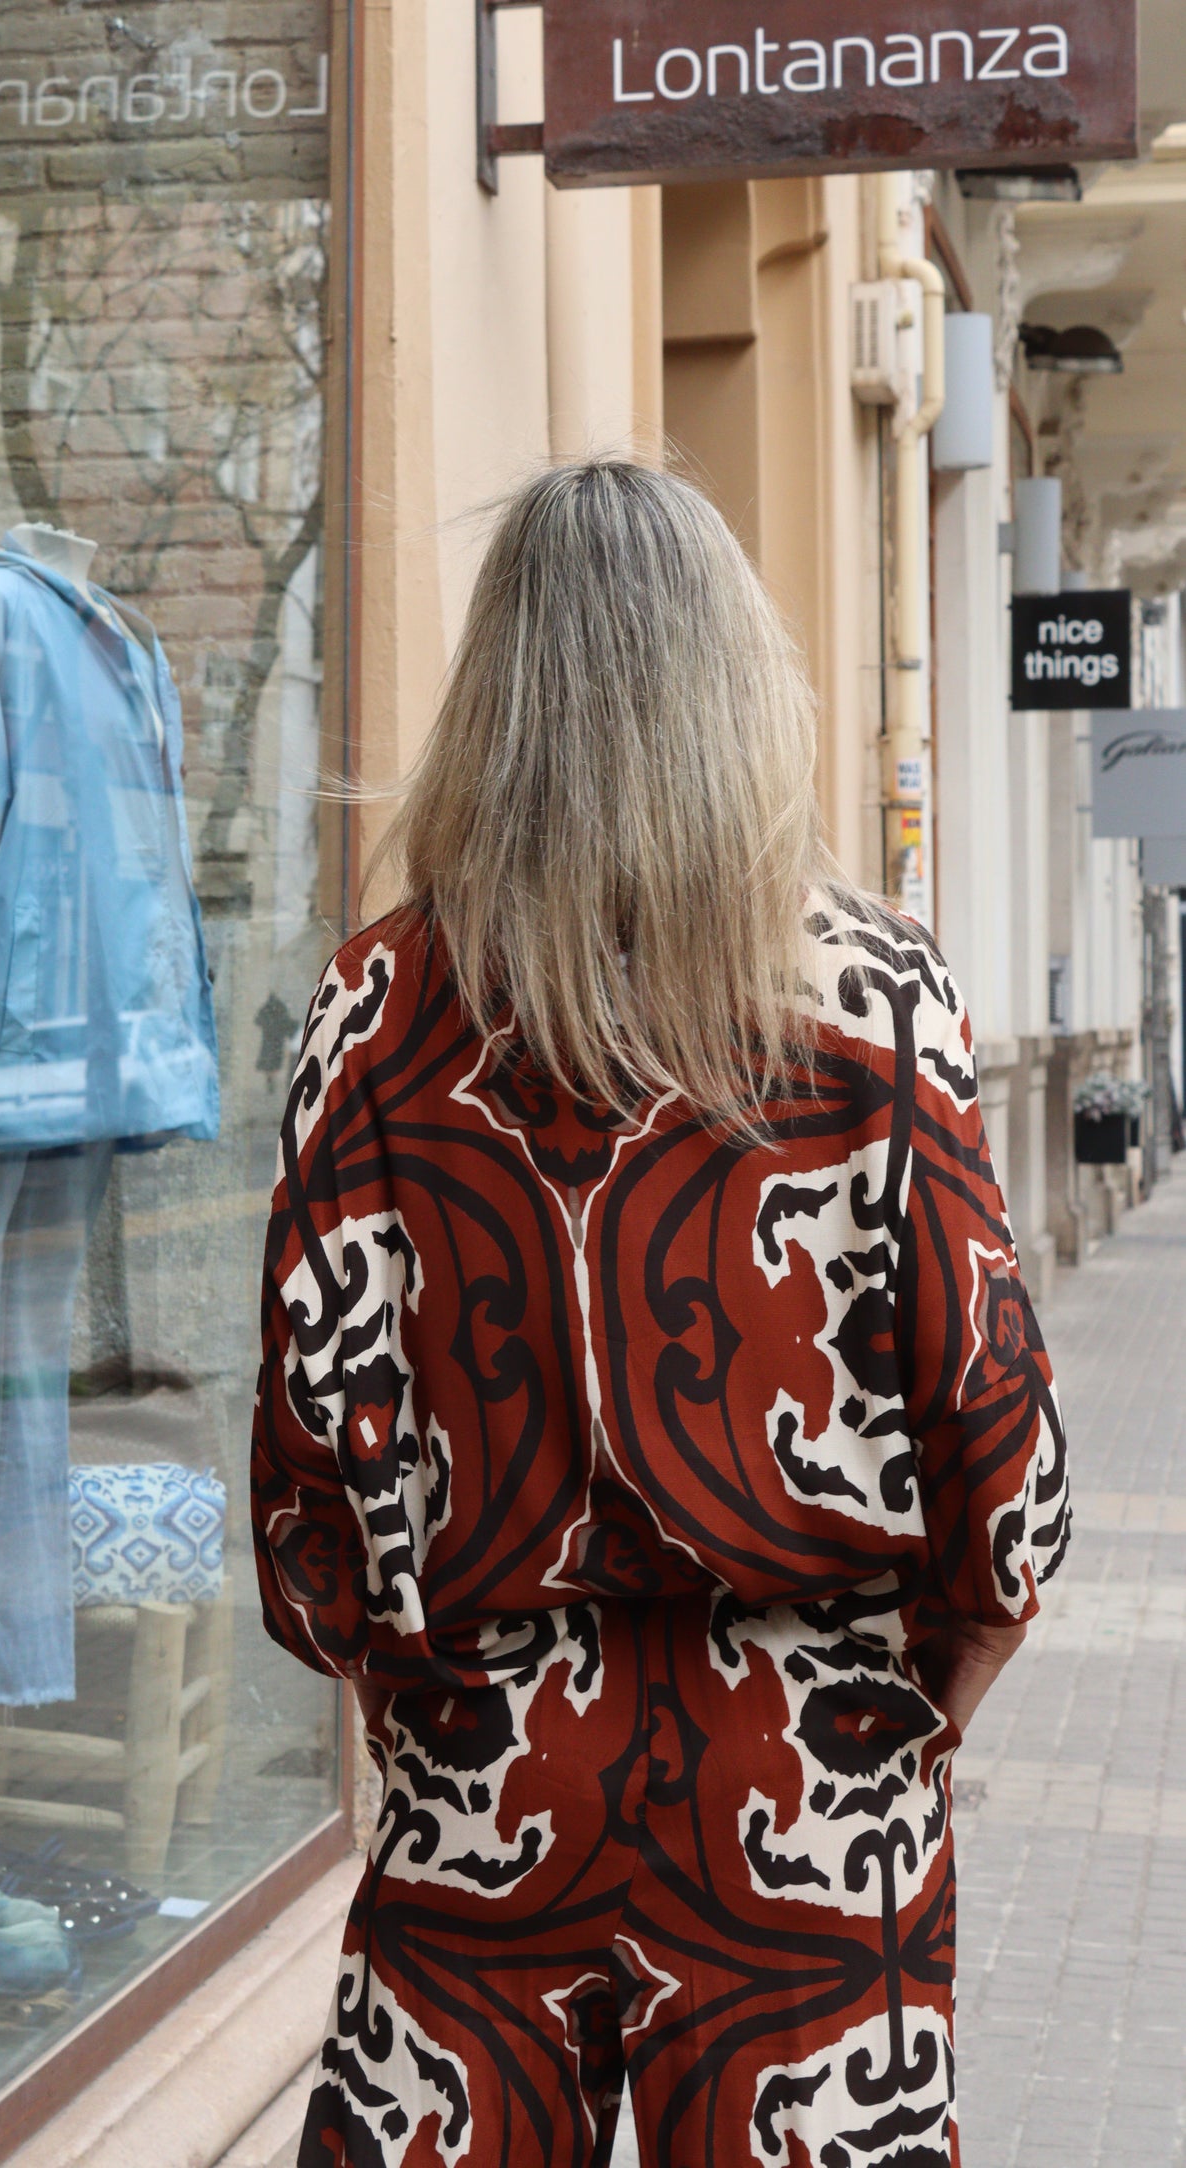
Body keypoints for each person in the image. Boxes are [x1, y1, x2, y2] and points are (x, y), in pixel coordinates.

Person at [251, 461, 1068, 2168]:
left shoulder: (378, 1009)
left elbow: (315, 1447)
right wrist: (913, 1696)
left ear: (498, 705)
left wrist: (403, 1676)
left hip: (491, 1754)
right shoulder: (874, 999)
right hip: (807, 1758)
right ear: (741, 692)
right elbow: (996, 1444)